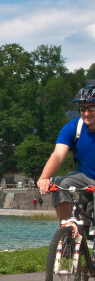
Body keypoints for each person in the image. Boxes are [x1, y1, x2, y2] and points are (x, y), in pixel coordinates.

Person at [39, 85, 95, 222]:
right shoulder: (74, 127)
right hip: (85, 175)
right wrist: (44, 177)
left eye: (92, 108)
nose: (87, 113)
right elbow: (58, 154)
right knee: (61, 185)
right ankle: (67, 230)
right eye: (83, 108)